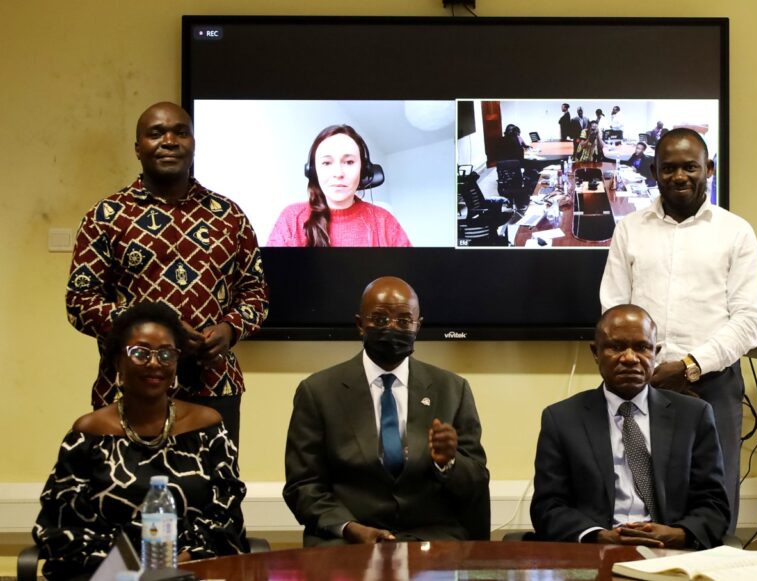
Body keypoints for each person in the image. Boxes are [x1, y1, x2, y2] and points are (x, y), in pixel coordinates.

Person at [66, 102, 268, 446]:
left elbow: (256, 294)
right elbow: (80, 303)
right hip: (129, 386)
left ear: (193, 144)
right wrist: (160, 330)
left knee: (212, 494)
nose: (170, 141)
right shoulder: (106, 216)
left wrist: (231, 328)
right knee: (126, 493)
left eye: (181, 132)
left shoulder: (229, 216)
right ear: (137, 148)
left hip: (214, 385)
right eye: (156, 133)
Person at [599, 128, 757, 532]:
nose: (680, 176)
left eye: (690, 167)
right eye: (669, 167)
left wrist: (690, 366)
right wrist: (646, 367)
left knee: (714, 498)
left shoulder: (736, 232)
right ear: (654, 171)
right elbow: (613, 308)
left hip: (712, 384)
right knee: (642, 496)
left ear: (708, 169)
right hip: (642, 383)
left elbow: (748, 321)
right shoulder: (630, 229)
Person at [34, 302, 249, 581]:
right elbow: (63, 528)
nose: (154, 363)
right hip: (110, 575)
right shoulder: (89, 433)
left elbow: (227, 517)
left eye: (166, 354)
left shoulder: (207, 428)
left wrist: (180, 560)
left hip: (193, 570)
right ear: (117, 362)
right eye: (140, 353)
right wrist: (135, 568)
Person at [283, 276, 489, 545]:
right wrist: (349, 527)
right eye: (380, 320)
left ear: (418, 327)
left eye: (404, 321)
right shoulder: (318, 392)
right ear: (360, 325)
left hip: (431, 540)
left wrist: (448, 461)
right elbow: (303, 485)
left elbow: (476, 484)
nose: (392, 328)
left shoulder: (452, 389)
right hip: (350, 540)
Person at [530, 305, 730, 549]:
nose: (629, 358)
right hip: (595, 551)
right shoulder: (561, 419)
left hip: (673, 552)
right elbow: (548, 507)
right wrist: (600, 536)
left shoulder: (694, 416)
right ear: (595, 352)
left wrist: (675, 534)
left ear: (655, 353)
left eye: (642, 347)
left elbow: (714, 504)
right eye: (615, 347)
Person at [267, 125, 411, 247]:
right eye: (327, 163)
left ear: (364, 169)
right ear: (313, 171)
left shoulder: (385, 221)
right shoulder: (291, 218)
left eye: (349, 162)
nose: (338, 173)